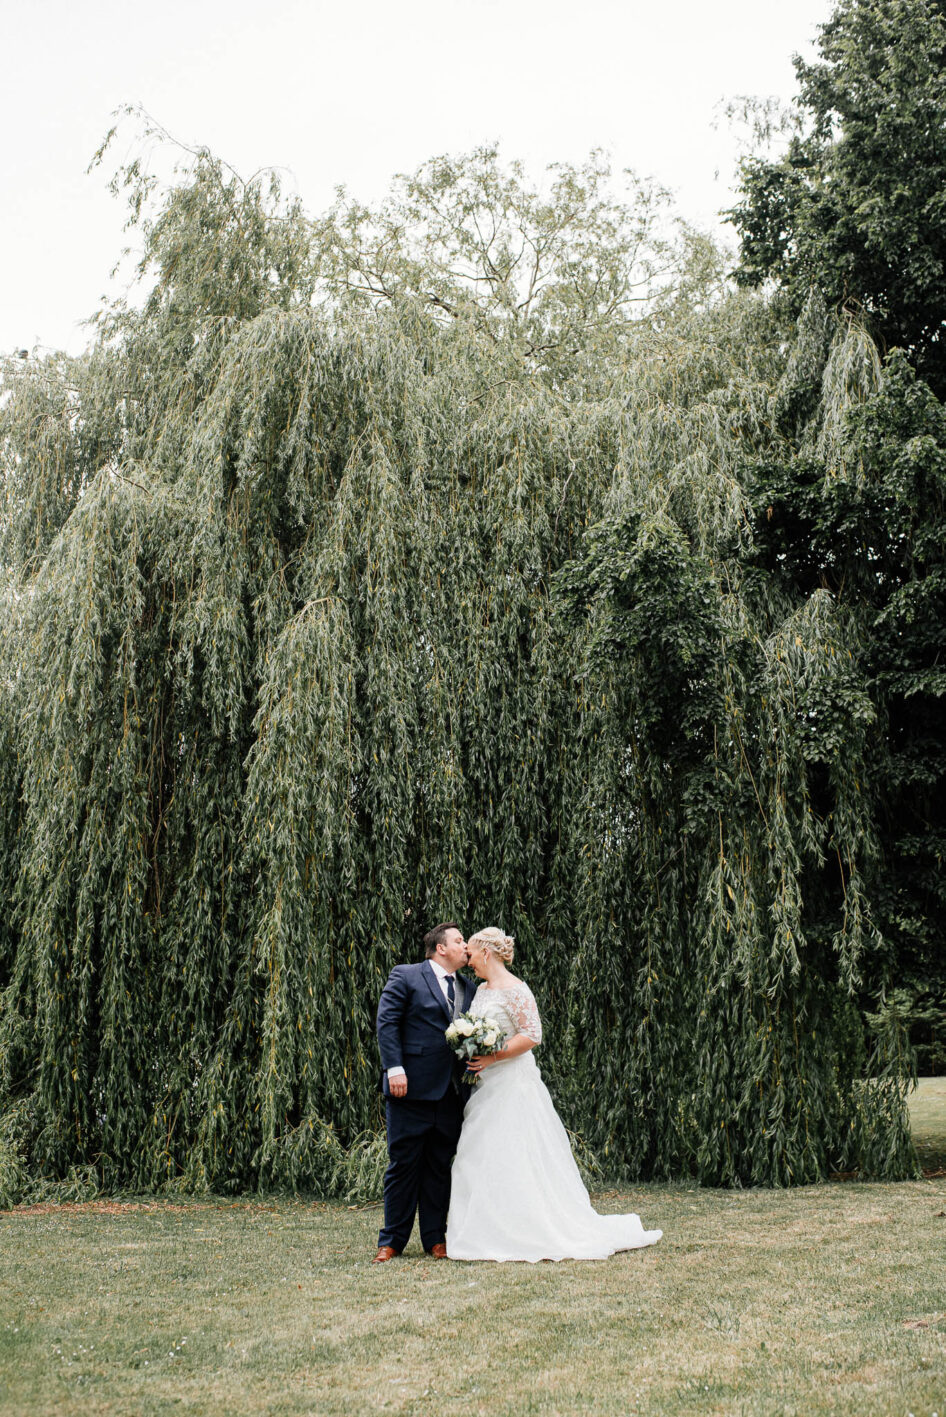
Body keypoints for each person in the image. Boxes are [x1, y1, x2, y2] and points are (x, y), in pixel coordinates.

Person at [446, 927, 662, 1262]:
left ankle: (530, 1228)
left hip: (513, 1085)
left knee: (518, 1155)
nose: (468, 961)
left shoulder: (517, 990)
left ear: (486, 953)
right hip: (486, 1086)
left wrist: (493, 1056)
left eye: (471, 954)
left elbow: (533, 1035)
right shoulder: (482, 991)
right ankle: (490, 1229)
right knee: (479, 1157)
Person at [374, 921, 478, 1262]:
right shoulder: (406, 975)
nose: (466, 946)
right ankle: (391, 1241)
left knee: (438, 1166)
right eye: (459, 940)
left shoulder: (469, 987)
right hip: (409, 1089)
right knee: (403, 1165)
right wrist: (394, 1068)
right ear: (441, 948)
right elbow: (387, 1021)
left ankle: (435, 1238)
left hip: (451, 1092)